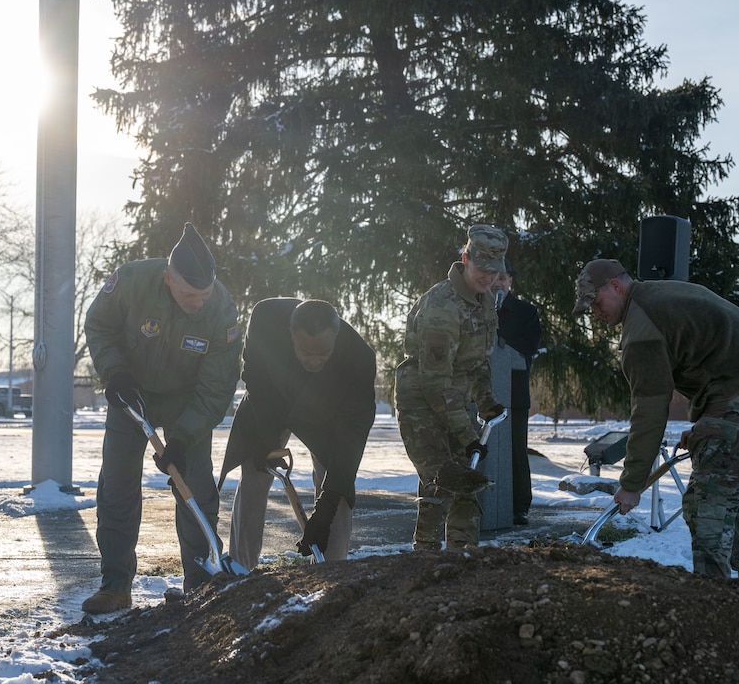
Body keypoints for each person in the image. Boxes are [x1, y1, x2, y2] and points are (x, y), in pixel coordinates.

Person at [572, 258, 739, 580]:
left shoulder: (640, 329)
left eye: (595, 302)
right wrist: (707, 427)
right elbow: (709, 352)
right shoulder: (657, 296)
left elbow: (649, 412)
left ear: (616, 286)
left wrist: (632, 483)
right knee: (732, 484)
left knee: (707, 500)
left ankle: (714, 599)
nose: (594, 313)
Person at [81, 223, 243, 614]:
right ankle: (116, 585)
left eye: (203, 295)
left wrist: (183, 439)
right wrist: (115, 372)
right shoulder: (133, 281)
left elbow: (217, 387)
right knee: (117, 486)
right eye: (189, 295)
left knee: (195, 487)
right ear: (169, 278)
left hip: (189, 404)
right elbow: (99, 324)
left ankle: (201, 584)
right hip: (131, 397)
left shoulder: (221, 310)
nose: (198, 303)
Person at [218, 298, 376, 566]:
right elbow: (255, 375)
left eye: (323, 353)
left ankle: (331, 575)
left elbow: (350, 442)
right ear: (291, 335)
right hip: (270, 401)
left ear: (336, 338)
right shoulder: (266, 318)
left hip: (327, 416)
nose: (314, 360)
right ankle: (242, 571)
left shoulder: (359, 359)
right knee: (255, 473)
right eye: (306, 352)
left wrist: (324, 510)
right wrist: (266, 435)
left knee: (337, 497)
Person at [395, 224, 508, 550]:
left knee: (466, 482)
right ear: (465, 259)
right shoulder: (442, 307)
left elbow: (478, 361)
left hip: (454, 398)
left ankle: (462, 558)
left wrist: (486, 402)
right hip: (421, 397)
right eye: (482, 269)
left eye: (495, 271)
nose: (488, 277)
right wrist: (468, 434)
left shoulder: (485, 302)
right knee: (442, 479)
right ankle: (426, 561)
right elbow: (434, 382)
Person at [490, 259, 542, 526]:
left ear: (511, 281)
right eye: (494, 276)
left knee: (515, 452)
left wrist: (500, 342)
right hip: (479, 397)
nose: (498, 282)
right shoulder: (475, 310)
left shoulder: (526, 312)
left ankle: (519, 506)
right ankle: (481, 503)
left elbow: (528, 348)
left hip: (513, 395)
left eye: (503, 277)